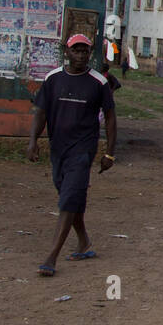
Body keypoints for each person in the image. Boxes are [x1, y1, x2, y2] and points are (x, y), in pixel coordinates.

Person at [28, 33, 117, 276]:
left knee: (68, 199)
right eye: (75, 50)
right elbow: (40, 112)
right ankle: (84, 243)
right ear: (66, 53)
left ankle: (51, 257)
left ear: (91, 54)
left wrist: (109, 153)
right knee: (70, 197)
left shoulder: (98, 82)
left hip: (82, 151)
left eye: (85, 51)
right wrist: (33, 141)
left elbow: (110, 117)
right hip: (58, 149)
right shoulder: (53, 79)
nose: (80, 55)